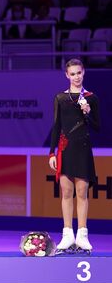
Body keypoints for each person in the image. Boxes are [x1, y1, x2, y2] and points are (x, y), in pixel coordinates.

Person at [49, 58, 100, 253]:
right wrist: (51, 153)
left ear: (83, 73)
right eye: (72, 74)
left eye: (79, 73)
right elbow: (56, 126)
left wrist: (87, 112)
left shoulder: (91, 98)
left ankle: (82, 236)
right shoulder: (60, 98)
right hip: (65, 149)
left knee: (82, 193)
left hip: (83, 148)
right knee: (67, 192)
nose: (76, 77)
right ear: (67, 75)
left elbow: (98, 127)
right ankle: (67, 234)